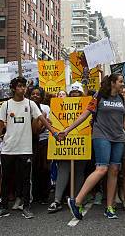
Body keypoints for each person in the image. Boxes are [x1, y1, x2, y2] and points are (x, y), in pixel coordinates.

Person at [64, 74, 125, 220]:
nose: (123, 84)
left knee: (114, 170)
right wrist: (67, 130)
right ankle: (76, 201)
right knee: (102, 168)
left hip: (118, 138)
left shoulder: (121, 99)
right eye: (121, 81)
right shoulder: (99, 95)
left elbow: (124, 122)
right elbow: (85, 114)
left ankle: (109, 207)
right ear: (113, 83)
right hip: (101, 135)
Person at [0, 77, 58, 220]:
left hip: (26, 148)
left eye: (24, 86)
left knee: (26, 179)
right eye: (19, 86)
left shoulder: (31, 103)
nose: (23, 89)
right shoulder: (6, 105)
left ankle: (26, 207)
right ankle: (3, 208)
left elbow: (42, 119)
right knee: (6, 179)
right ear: (14, 88)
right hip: (8, 148)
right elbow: (1, 125)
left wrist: (54, 133)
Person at [48, 82, 88, 214]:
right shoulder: (59, 105)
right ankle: (57, 200)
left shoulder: (87, 105)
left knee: (79, 170)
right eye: (72, 93)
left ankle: (77, 199)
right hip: (64, 141)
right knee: (63, 168)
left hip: (82, 140)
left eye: (78, 93)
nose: (75, 95)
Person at [31, 86, 52, 205]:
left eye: (37, 94)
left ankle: (45, 194)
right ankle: (35, 194)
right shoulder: (27, 106)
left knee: (45, 168)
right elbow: (35, 129)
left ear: (41, 96)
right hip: (31, 142)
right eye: (33, 94)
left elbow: (46, 126)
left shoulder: (46, 108)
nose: (35, 96)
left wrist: (43, 121)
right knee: (34, 168)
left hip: (44, 141)